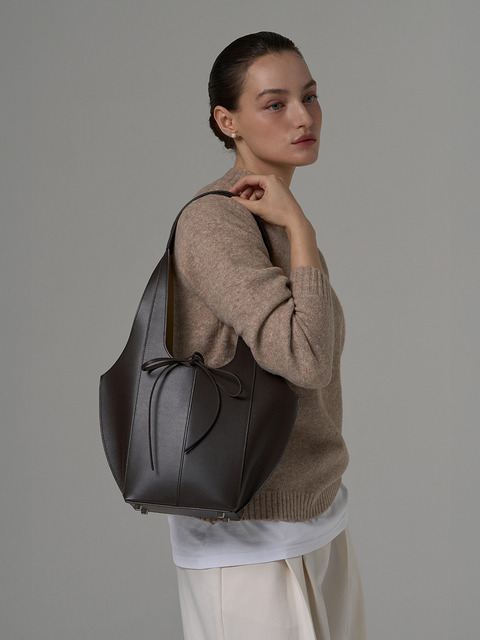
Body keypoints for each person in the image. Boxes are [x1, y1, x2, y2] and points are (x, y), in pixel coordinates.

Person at [168, 31, 367, 639]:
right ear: (226, 121)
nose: (303, 117)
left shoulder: (271, 213)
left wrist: (293, 225)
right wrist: (301, 229)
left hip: (315, 515)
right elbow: (306, 360)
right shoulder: (215, 220)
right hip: (247, 540)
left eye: (310, 96)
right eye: (275, 104)